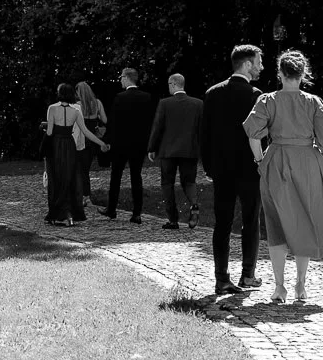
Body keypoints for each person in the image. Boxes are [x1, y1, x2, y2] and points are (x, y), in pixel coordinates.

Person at [243, 50, 323, 303]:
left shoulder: (267, 100)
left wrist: (260, 161)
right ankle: (300, 285)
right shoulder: (313, 102)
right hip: (308, 161)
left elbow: (253, 134)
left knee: (276, 224)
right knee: (305, 221)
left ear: (280, 73)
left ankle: (279, 287)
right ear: (303, 74)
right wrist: (320, 162)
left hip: (276, 160)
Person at [200, 46, 265, 293]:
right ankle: (247, 274)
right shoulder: (256, 95)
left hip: (222, 169)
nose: (261, 67)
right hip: (249, 168)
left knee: (222, 223)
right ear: (247, 64)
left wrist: (209, 167)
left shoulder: (213, 93)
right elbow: (260, 133)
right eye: (258, 62)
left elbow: (204, 134)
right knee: (251, 221)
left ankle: (221, 278)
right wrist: (262, 161)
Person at [146, 73, 203, 232]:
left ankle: (172, 219)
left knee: (167, 183)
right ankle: (194, 204)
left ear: (173, 84)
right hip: (189, 149)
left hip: (168, 150)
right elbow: (202, 129)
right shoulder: (198, 104)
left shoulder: (165, 103)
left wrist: (152, 148)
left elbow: (158, 126)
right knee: (189, 181)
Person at [42, 83, 105, 226]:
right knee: (69, 177)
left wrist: (44, 143)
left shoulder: (52, 108)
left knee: (56, 178)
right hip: (70, 145)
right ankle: (69, 214)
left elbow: (50, 132)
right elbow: (86, 131)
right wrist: (101, 143)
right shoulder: (76, 111)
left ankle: (57, 213)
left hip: (56, 145)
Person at [102, 67, 156, 222]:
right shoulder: (146, 97)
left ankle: (111, 209)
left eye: (121, 78)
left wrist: (107, 140)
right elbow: (150, 122)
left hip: (121, 143)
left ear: (126, 78)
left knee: (116, 176)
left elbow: (113, 122)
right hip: (139, 143)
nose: (120, 81)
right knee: (136, 176)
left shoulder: (120, 97)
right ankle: (137, 212)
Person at [74, 79, 108, 209]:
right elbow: (105, 120)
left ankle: (79, 195)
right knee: (85, 170)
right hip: (93, 139)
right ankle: (86, 196)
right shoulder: (97, 103)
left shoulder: (77, 105)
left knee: (78, 169)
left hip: (81, 138)